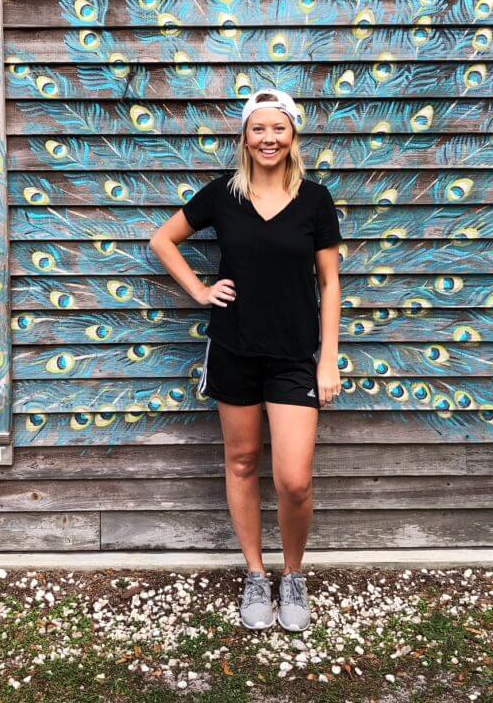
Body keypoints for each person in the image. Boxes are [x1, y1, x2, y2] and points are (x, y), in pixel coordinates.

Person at [149, 87, 343, 632]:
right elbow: (163, 240)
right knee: (240, 462)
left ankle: (294, 575)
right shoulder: (222, 194)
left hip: (294, 357)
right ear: (245, 136)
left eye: (278, 128)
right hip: (233, 350)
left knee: (294, 480)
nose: (268, 138)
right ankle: (256, 573)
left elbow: (330, 283)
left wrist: (328, 359)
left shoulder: (315, 199)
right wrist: (199, 290)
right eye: (259, 128)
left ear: (293, 135)